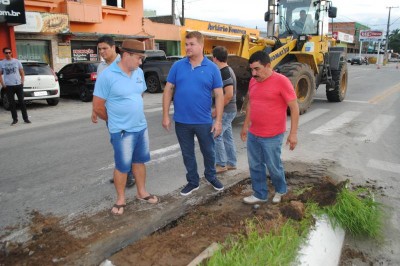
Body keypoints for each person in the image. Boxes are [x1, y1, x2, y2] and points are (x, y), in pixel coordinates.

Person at [93, 39, 159, 215]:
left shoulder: (138, 73)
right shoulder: (107, 76)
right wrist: (115, 120)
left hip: (140, 127)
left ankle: (141, 192)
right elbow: (98, 107)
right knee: (122, 166)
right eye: (139, 58)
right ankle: (120, 199)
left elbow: (140, 94)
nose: (141, 62)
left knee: (139, 161)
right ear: (127, 55)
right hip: (122, 131)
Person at [162, 31, 225, 196]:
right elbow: (168, 89)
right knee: (187, 153)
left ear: (201, 46)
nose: (187, 47)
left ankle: (211, 176)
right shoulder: (178, 66)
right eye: (186, 44)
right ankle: (193, 181)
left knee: (209, 151)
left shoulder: (212, 68)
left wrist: (218, 121)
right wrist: (165, 115)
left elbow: (219, 95)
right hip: (182, 121)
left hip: (204, 121)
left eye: (191, 44)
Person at [240, 51, 299, 205]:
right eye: (251, 69)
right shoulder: (254, 81)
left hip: (273, 135)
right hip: (254, 133)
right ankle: (260, 193)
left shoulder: (282, 81)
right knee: (255, 165)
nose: (253, 73)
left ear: (268, 66)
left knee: (273, 166)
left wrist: (293, 134)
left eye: (257, 69)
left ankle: (281, 189)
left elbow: (294, 108)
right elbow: (251, 104)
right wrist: (246, 125)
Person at [92, 35, 135, 188]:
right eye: (99, 49)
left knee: (125, 144)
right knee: (116, 144)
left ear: (113, 47)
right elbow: (99, 92)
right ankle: (121, 172)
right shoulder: (101, 67)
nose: (102, 52)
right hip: (108, 113)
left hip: (124, 112)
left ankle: (128, 176)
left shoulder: (125, 63)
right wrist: (95, 110)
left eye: (105, 48)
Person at [211, 46, 238, 174]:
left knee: (216, 134)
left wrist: (217, 110)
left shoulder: (225, 72)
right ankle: (232, 163)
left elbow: (228, 94)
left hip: (227, 110)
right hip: (230, 109)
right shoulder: (228, 69)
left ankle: (221, 164)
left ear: (215, 58)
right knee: (228, 136)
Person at [0, 47, 31, 126]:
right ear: (4, 53)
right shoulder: (2, 63)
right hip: (9, 86)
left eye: (9, 52)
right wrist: (3, 84)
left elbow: (22, 72)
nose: (8, 54)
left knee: (22, 102)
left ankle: (26, 118)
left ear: (11, 53)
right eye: (6, 53)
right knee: (12, 103)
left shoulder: (17, 61)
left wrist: (22, 81)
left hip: (18, 85)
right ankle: (15, 119)